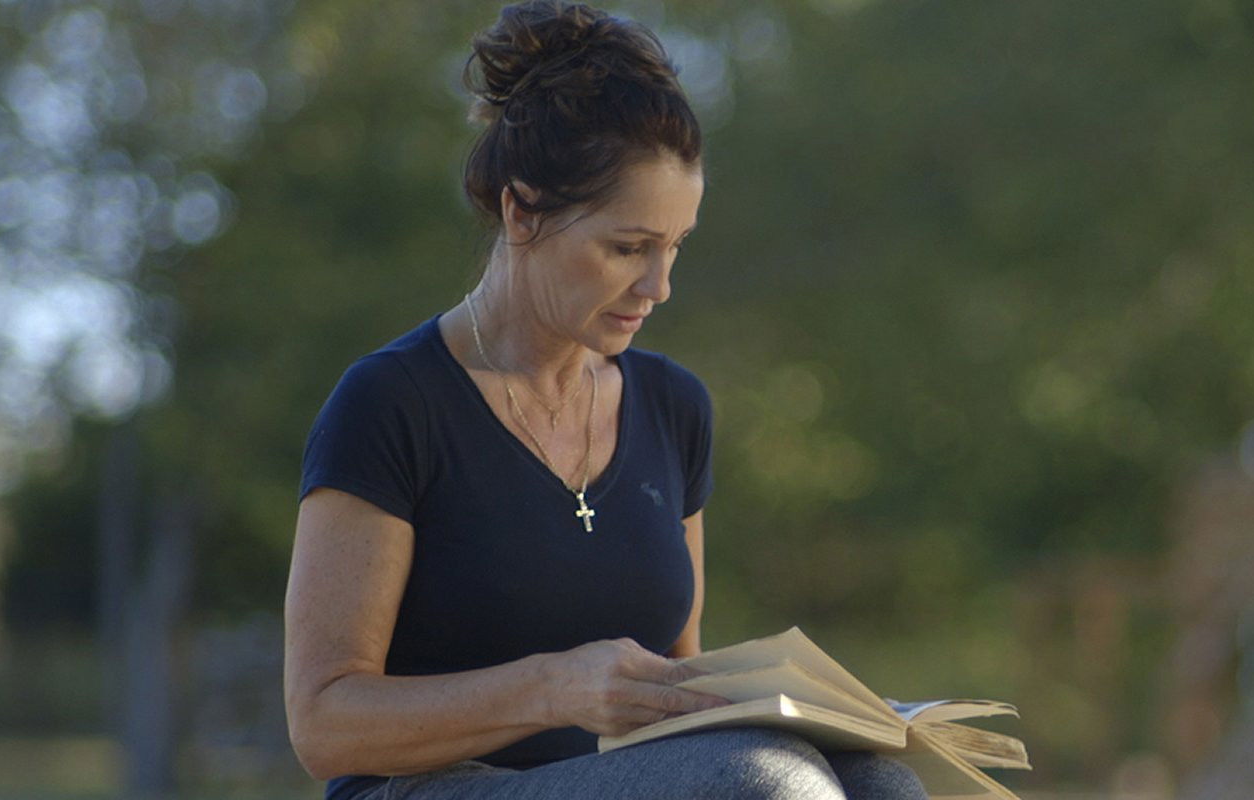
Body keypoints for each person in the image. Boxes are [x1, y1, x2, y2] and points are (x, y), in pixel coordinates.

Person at [282, 2, 929, 798]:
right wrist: (553, 687)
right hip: (429, 787)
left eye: (675, 247)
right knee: (762, 784)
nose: (659, 286)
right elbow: (324, 723)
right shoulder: (390, 403)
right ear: (522, 211)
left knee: (881, 783)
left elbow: (680, 680)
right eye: (628, 248)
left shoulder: (673, 407)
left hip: (617, 777)